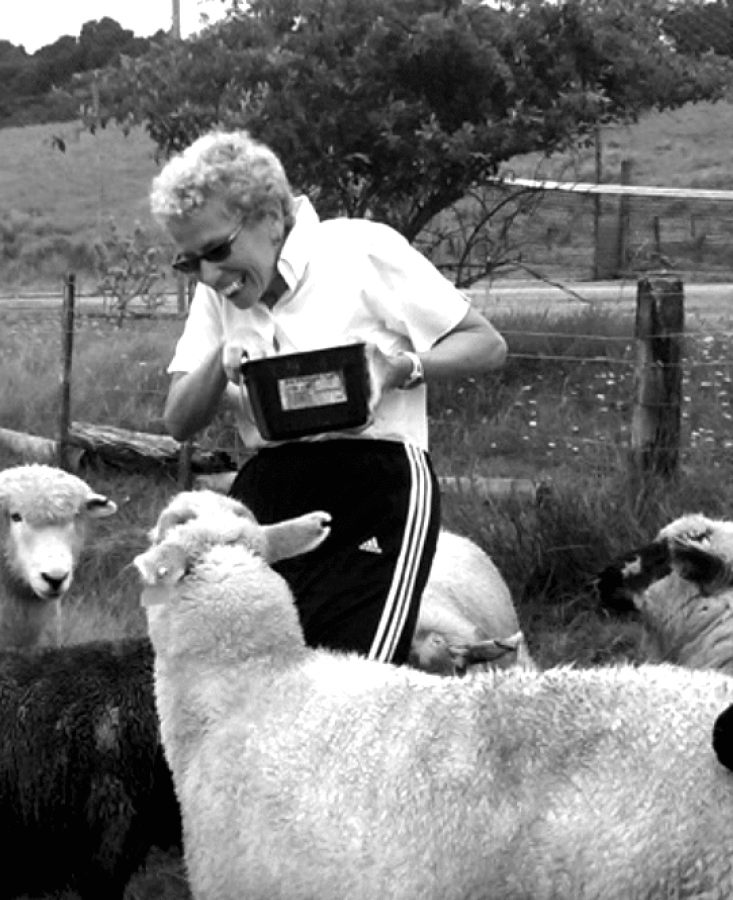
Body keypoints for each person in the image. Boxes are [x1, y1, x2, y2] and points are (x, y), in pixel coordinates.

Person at [150, 129, 508, 665]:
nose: (208, 274)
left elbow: (486, 344)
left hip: (377, 482)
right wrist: (221, 355)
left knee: (352, 677)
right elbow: (178, 419)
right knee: (248, 672)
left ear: (271, 217)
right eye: (189, 262)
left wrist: (400, 369)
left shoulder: (360, 250)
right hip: (269, 481)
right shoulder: (217, 293)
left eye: (218, 251)